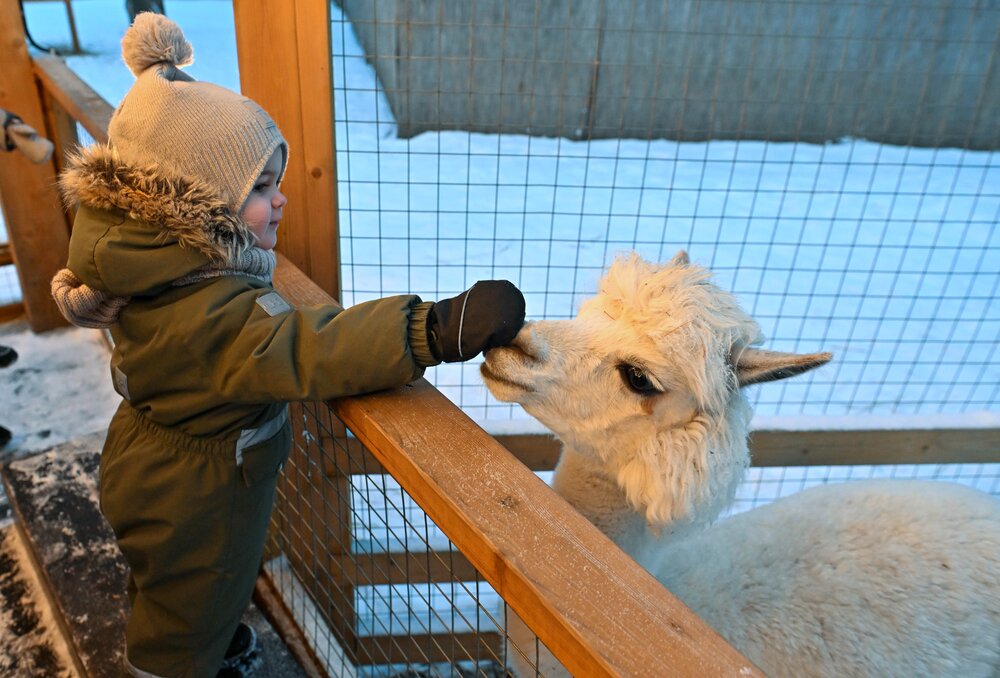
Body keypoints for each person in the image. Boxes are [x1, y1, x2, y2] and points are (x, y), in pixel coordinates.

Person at [50, 14, 524, 678]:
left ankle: (202, 649)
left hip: (168, 470)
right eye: (261, 190)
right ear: (202, 207)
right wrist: (434, 328)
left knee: (172, 593)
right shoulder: (203, 318)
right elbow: (307, 348)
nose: (283, 201)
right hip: (193, 499)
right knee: (182, 622)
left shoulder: (169, 268)